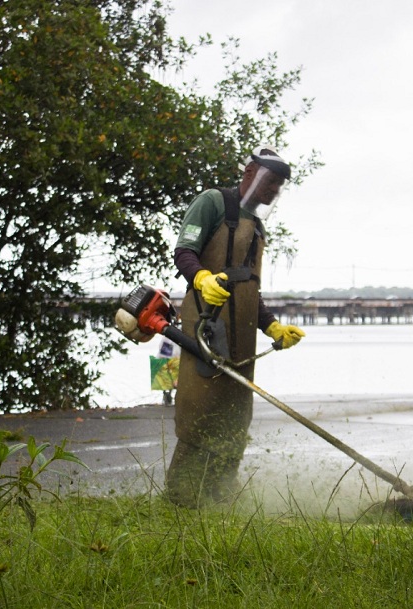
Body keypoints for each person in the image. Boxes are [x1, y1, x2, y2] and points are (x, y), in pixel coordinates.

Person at [165, 146, 305, 508]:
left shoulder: (257, 227)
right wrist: (201, 279)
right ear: (250, 173)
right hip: (207, 328)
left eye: (279, 186)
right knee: (201, 409)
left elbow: (249, 288)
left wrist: (272, 327)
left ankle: (222, 498)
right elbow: (184, 251)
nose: (273, 190)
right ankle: (180, 501)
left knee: (235, 416)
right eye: (270, 181)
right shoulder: (214, 203)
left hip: (242, 336)